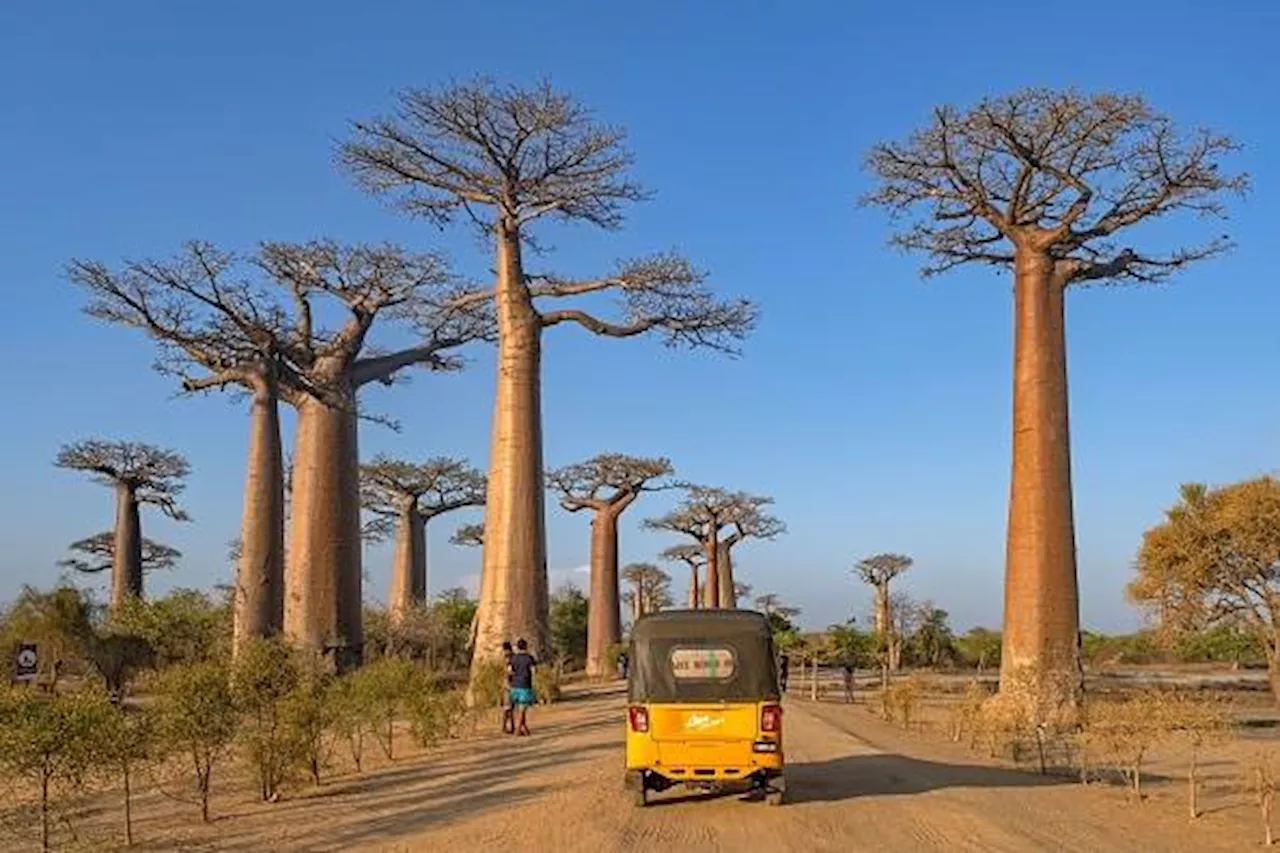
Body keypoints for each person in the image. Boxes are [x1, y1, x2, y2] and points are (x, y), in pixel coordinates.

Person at [507, 638, 537, 736]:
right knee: (522, 708)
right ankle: (518, 729)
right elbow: (533, 671)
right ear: (526, 646)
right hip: (525, 685)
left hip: (514, 685)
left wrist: (511, 681)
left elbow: (509, 671)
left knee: (517, 708)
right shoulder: (529, 658)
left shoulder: (513, 658)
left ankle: (523, 727)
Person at [500, 641, 515, 734]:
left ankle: (507, 726)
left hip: (507, 684)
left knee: (508, 707)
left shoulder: (507, 657)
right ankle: (507, 726)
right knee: (509, 707)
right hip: (510, 684)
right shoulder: (510, 657)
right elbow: (509, 672)